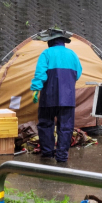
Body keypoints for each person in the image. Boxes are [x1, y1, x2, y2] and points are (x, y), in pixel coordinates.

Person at [30, 29, 82, 163]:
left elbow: (40, 73)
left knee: (46, 124)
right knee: (65, 127)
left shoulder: (46, 53)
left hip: (48, 97)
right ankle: (62, 156)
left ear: (50, 42)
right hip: (68, 98)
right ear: (63, 42)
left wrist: (36, 89)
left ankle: (47, 153)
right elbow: (78, 74)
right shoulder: (73, 54)